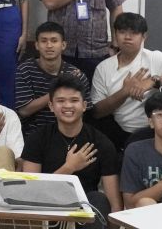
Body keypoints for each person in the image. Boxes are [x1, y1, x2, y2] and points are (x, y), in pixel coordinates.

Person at [91, 13, 162, 149]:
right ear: (115, 34)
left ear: (144, 36)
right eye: (122, 32)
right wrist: (125, 92)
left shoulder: (155, 58)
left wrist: (154, 81)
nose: (127, 37)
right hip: (117, 131)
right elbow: (97, 112)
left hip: (153, 131)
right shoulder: (103, 68)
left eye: (134, 33)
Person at [21, 74, 121, 228]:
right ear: (51, 106)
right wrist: (69, 167)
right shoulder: (38, 138)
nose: (67, 106)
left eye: (74, 100)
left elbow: (114, 205)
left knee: (98, 199)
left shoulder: (101, 142)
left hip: (84, 209)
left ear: (84, 105)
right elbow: (33, 191)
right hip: (47, 207)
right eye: (61, 101)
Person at [15, 22, 91, 136]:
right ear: (36, 45)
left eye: (54, 41)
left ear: (63, 45)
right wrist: (59, 86)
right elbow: (24, 111)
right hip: (33, 135)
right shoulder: (24, 70)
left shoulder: (76, 75)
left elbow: (84, 111)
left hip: (68, 134)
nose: (49, 45)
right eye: (44, 41)